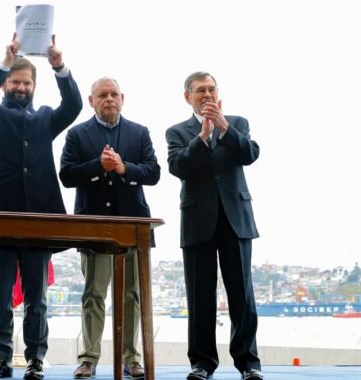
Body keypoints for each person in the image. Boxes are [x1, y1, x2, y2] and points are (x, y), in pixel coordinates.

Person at [0, 34, 82, 380]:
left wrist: (58, 65)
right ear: (6, 83)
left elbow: (74, 105)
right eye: (15, 81)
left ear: (34, 85)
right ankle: (2, 359)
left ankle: (36, 360)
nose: (21, 87)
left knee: (38, 299)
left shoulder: (46, 118)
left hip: (40, 217)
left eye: (26, 82)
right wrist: (4, 61)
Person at [59, 77, 160, 379]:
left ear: (123, 98)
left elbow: (153, 172)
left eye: (114, 94)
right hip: (93, 228)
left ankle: (131, 359)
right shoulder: (77, 134)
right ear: (91, 101)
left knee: (132, 296)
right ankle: (88, 359)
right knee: (93, 295)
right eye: (102, 95)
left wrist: (123, 168)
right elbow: (66, 175)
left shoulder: (139, 133)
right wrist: (97, 168)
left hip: (133, 228)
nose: (109, 99)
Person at [165, 72, 263, 380]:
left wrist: (223, 127)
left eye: (211, 89)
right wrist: (203, 137)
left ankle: (249, 364)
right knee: (200, 295)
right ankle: (202, 364)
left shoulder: (238, 123)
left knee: (242, 295)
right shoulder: (177, 132)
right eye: (200, 91)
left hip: (236, 220)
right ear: (188, 97)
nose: (206, 94)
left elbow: (250, 153)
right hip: (197, 222)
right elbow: (177, 167)